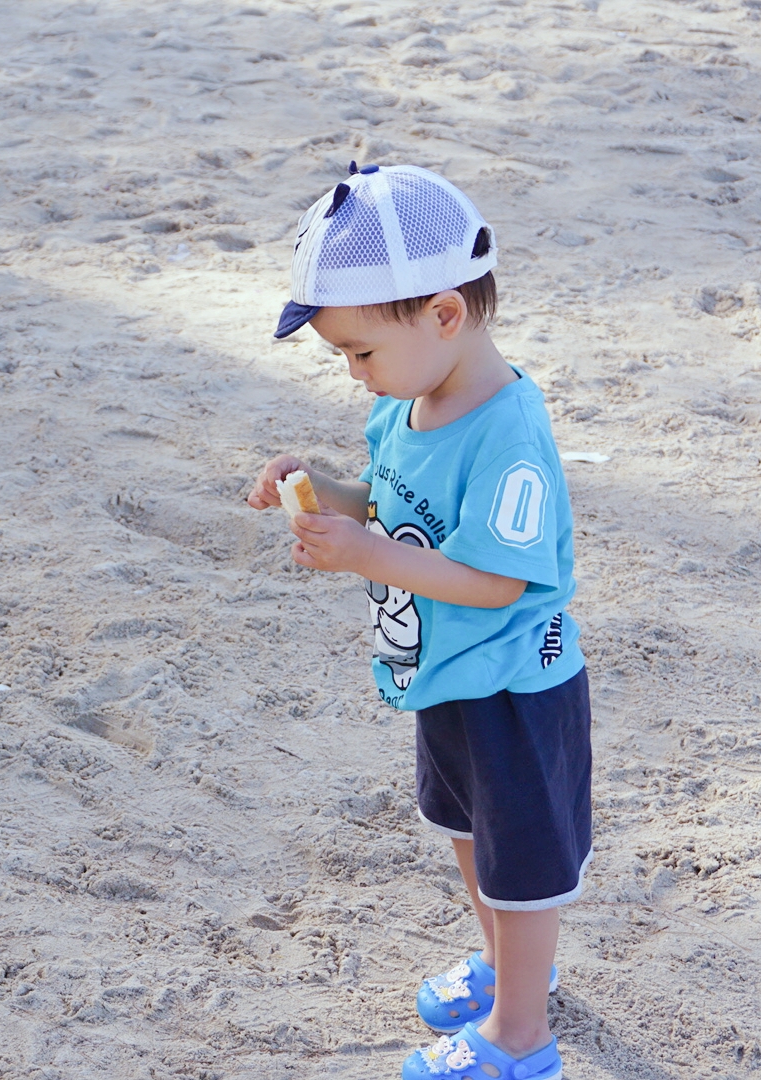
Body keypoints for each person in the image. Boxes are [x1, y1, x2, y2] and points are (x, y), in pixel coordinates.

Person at [247, 163, 590, 1080]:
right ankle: (507, 971)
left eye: (361, 353)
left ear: (445, 315)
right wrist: (318, 489)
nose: (356, 375)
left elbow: (495, 584)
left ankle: (522, 1038)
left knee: (522, 870)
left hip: (513, 684)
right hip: (446, 674)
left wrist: (365, 556)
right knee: (467, 832)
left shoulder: (507, 435)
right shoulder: (409, 403)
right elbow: (386, 501)